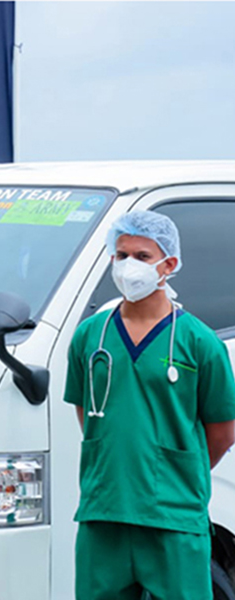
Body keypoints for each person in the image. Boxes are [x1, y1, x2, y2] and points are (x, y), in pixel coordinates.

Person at [64, 210, 235, 600]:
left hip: (173, 517)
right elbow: (88, 414)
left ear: (168, 264)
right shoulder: (92, 337)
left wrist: (172, 467)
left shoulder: (199, 342)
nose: (128, 266)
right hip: (103, 514)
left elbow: (223, 432)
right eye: (120, 255)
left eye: (142, 256)